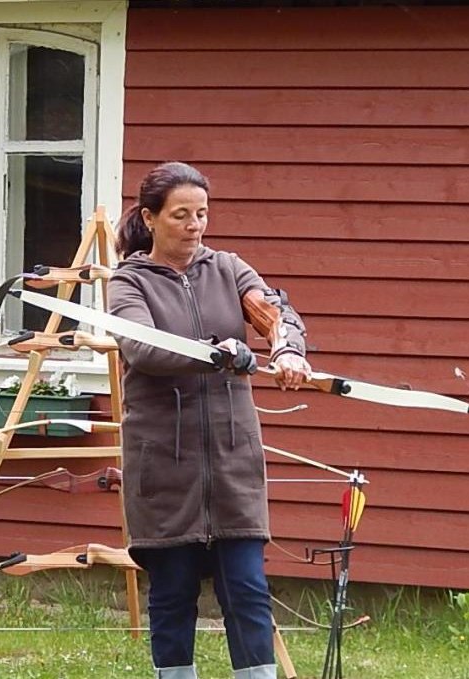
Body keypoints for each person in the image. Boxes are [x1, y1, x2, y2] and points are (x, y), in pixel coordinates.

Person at [105, 162, 311, 679]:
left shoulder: (229, 268)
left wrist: (286, 349)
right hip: (163, 469)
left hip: (233, 462)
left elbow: (271, 312)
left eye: (202, 213)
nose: (195, 225)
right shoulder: (129, 283)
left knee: (247, 589)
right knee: (173, 596)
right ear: (150, 218)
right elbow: (144, 346)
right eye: (181, 215)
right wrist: (216, 354)